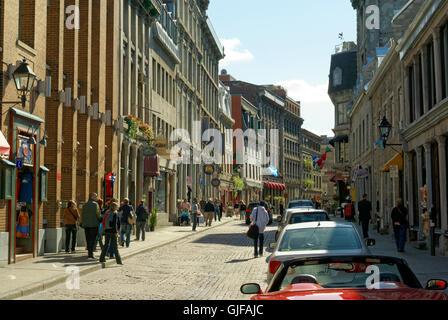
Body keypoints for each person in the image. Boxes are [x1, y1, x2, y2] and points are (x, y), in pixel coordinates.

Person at [99, 202, 123, 267]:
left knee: (106, 245)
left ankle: (101, 258)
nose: (118, 207)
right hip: (112, 232)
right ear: (114, 207)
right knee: (115, 247)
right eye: (117, 206)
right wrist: (116, 233)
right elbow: (115, 224)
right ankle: (119, 261)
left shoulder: (107, 212)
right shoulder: (115, 213)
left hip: (107, 231)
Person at [81, 193, 102, 259]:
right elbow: (98, 214)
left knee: (88, 239)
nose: (97, 198)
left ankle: (89, 253)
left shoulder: (84, 205)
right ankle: (91, 254)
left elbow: (82, 215)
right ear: (92, 197)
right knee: (93, 240)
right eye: (96, 196)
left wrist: (83, 223)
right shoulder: (95, 204)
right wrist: (101, 219)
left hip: (86, 225)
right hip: (94, 224)